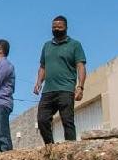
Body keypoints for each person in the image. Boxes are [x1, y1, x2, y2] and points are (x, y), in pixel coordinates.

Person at [33, 15, 87, 143]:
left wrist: (80, 87)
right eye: (54, 27)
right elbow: (43, 66)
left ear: (66, 28)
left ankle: (70, 149)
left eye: (59, 27)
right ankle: (50, 147)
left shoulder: (75, 45)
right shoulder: (47, 46)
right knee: (42, 120)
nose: (56, 29)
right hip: (48, 90)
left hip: (66, 89)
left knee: (67, 121)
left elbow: (80, 66)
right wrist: (39, 82)